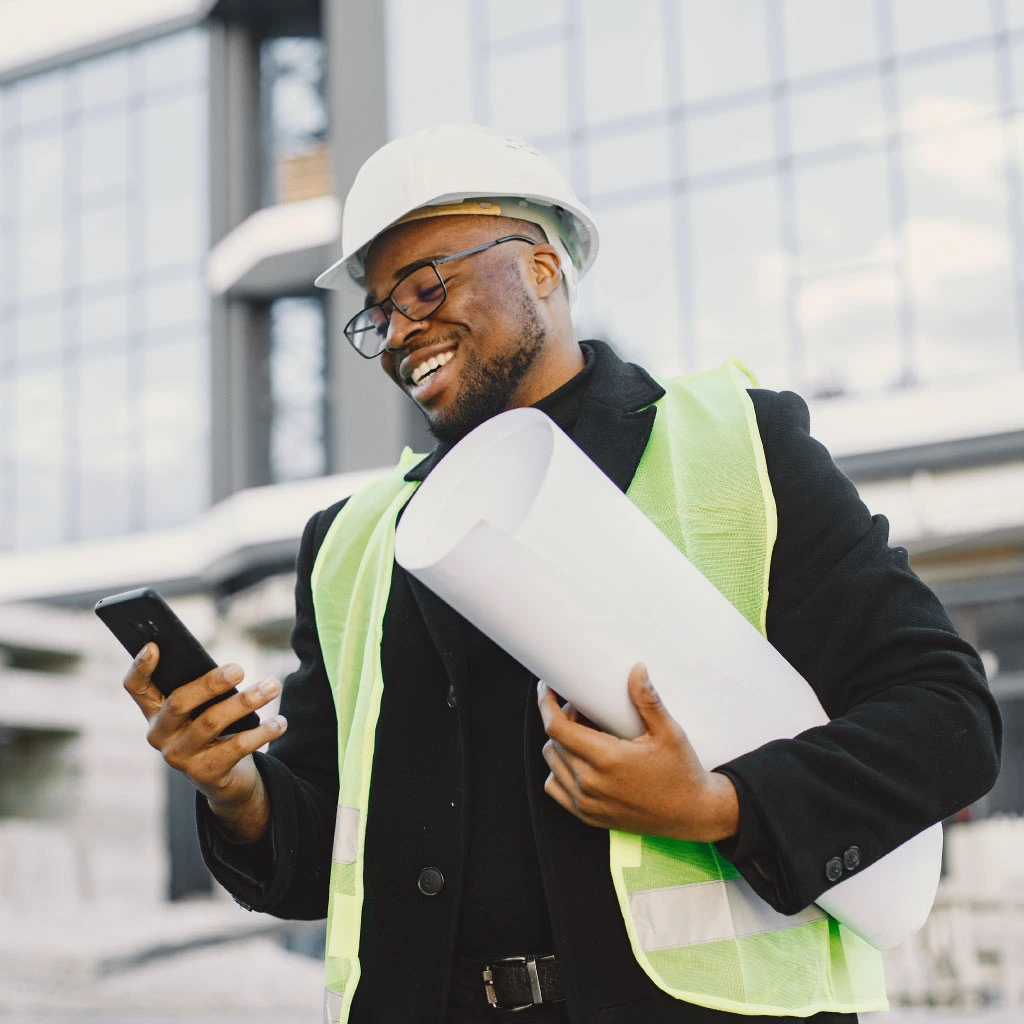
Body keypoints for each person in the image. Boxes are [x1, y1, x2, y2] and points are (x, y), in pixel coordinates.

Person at [122, 124, 1001, 1024]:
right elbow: (316, 863)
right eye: (377, 313)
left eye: (426, 285)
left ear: (541, 267)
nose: (399, 332)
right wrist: (234, 789)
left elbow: (947, 718)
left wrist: (719, 804)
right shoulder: (352, 543)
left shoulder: (737, 446)